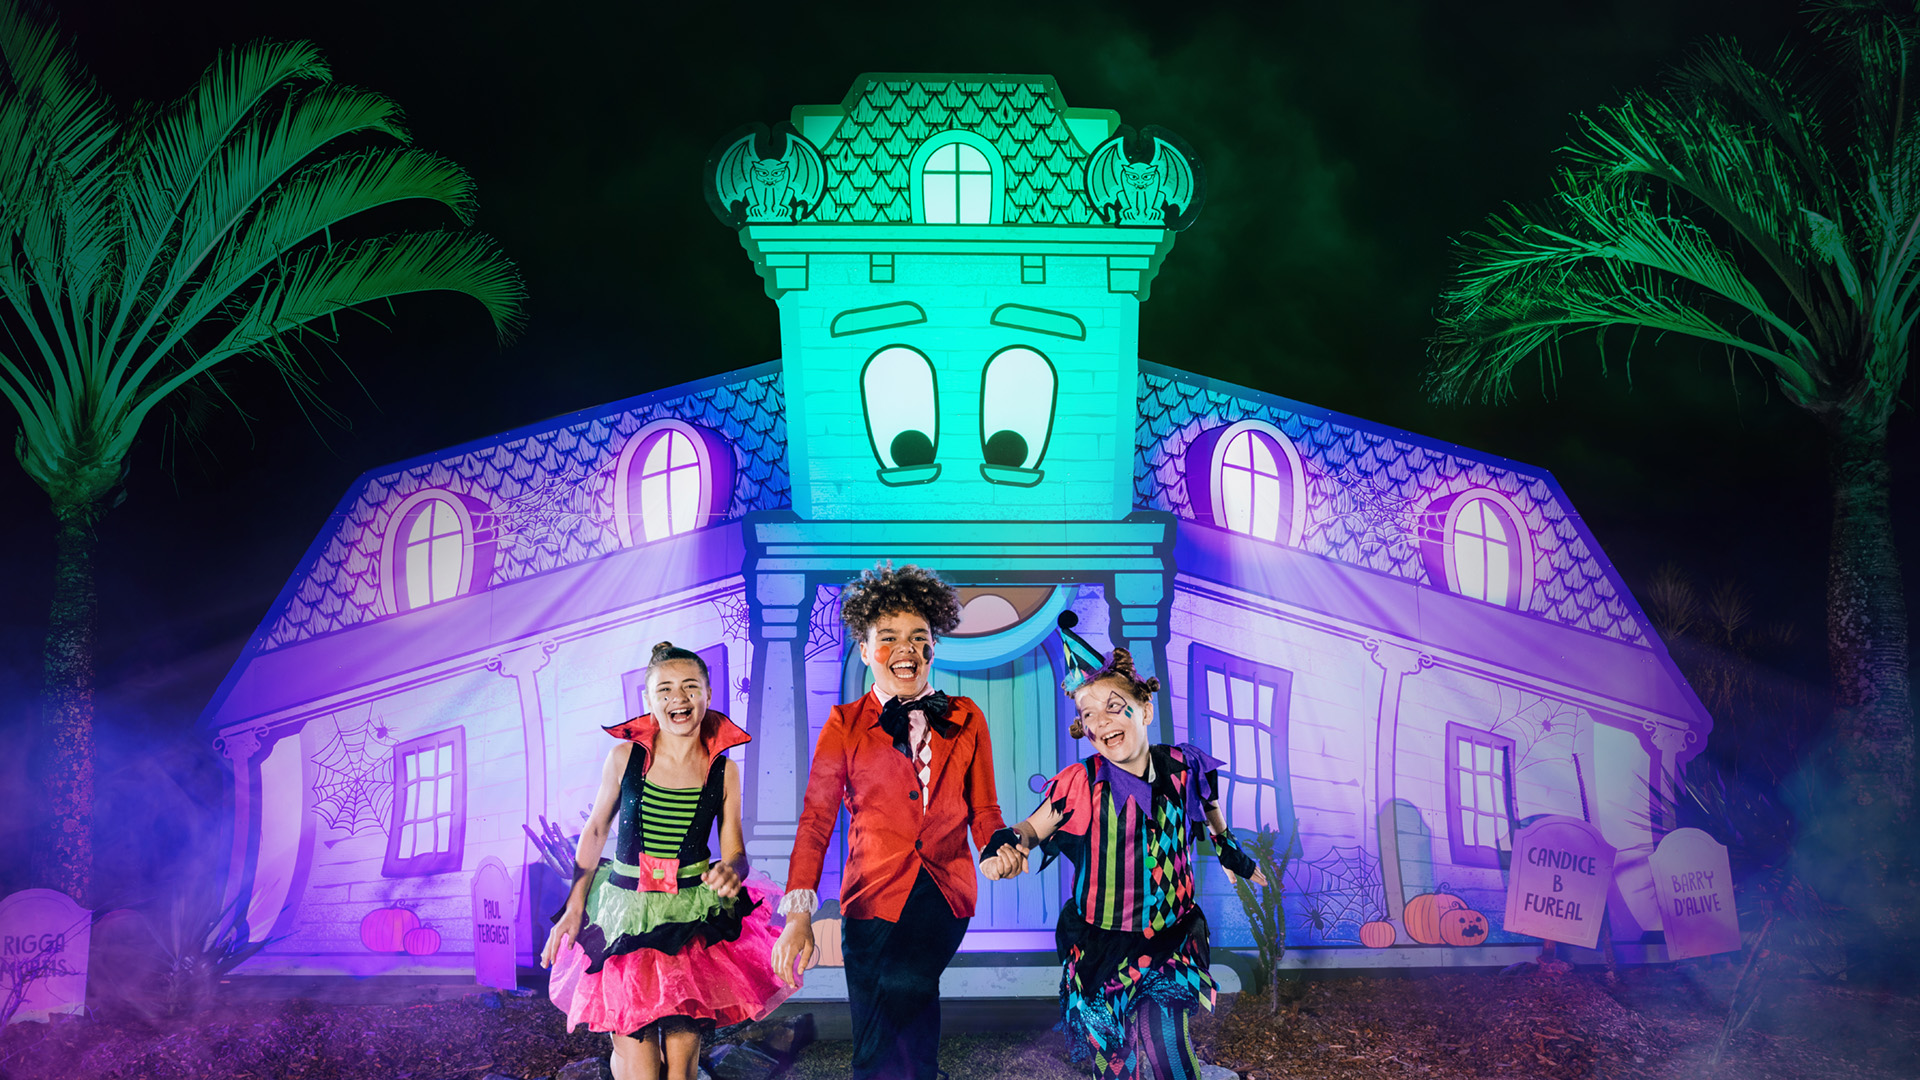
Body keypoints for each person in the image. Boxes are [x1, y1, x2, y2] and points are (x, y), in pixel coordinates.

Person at [770, 562, 1012, 1080]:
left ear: (932, 647)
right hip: (871, 897)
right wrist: (798, 914)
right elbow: (817, 819)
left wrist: (996, 847)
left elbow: (985, 810)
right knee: (884, 1017)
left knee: (905, 988)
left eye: (918, 637)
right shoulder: (843, 724)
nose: (905, 649)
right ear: (864, 650)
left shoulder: (966, 716)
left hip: (943, 894)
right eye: (888, 638)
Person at [979, 647, 1268, 1080]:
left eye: (1113, 708)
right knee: (1114, 1063)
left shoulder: (1186, 767)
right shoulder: (1082, 781)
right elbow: (1031, 829)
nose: (1101, 722)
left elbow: (1208, 810)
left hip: (1170, 937)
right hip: (1102, 946)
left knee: (1168, 1045)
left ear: (1144, 710)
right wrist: (1003, 846)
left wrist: (1229, 851)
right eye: (1088, 715)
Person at [543, 641, 793, 1080]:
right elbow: (597, 829)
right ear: (649, 700)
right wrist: (575, 905)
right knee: (641, 1068)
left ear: (708, 695)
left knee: (680, 1071)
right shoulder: (625, 757)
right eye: (665, 689)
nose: (678, 697)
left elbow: (735, 850)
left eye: (690, 686)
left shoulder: (723, 770)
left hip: (690, 917)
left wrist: (732, 872)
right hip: (625, 912)